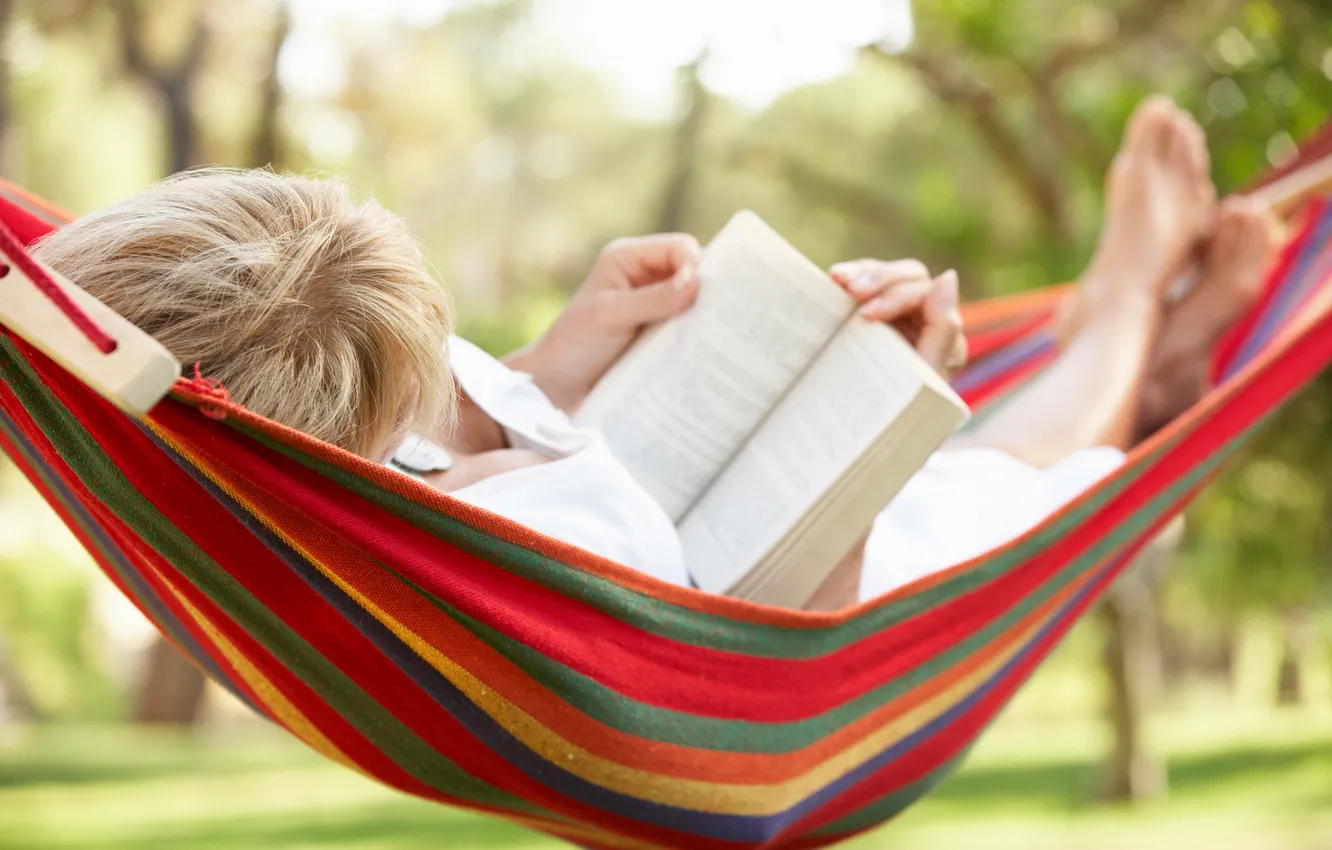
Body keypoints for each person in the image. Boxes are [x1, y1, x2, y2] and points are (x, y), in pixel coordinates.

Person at [31, 96, 1280, 609]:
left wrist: (560, 360)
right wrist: (875, 437)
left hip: (780, 516)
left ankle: (1160, 362)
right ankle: (1128, 306)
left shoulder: (328, 459)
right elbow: (786, 666)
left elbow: (413, 449)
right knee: (1028, 476)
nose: (456, 398)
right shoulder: (489, 553)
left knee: (1025, 452)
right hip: (891, 585)